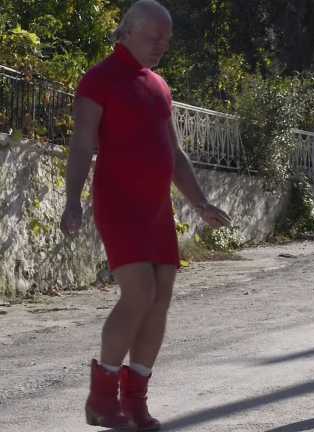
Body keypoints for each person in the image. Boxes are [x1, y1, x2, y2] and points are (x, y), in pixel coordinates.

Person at [59, 1, 231, 430]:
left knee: (160, 299)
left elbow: (174, 154)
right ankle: (101, 399)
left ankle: (134, 400)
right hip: (119, 203)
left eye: (167, 39)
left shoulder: (159, 86)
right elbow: (82, 144)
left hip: (157, 209)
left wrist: (201, 203)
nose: (162, 46)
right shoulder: (98, 80)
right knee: (137, 294)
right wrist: (72, 200)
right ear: (128, 31)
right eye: (156, 37)